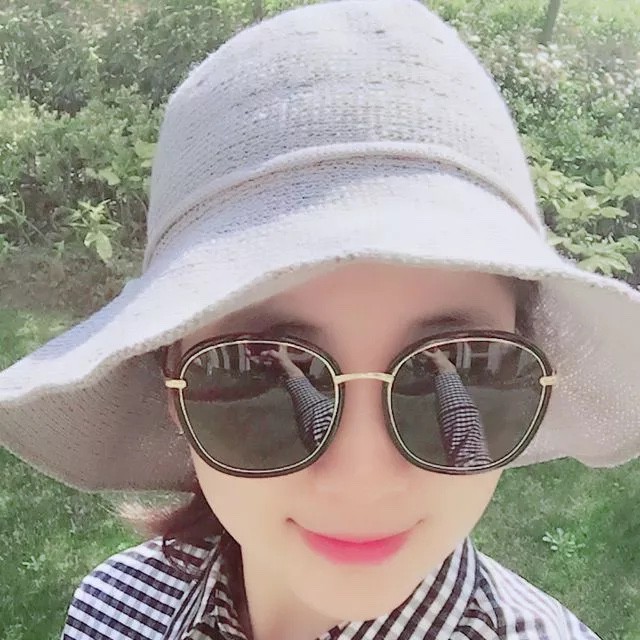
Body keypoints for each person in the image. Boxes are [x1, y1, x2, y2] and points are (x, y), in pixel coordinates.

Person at [1, 0, 639, 638]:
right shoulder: (113, 610)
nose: (362, 481)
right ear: (172, 392)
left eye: (462, 367)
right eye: (257, 373)